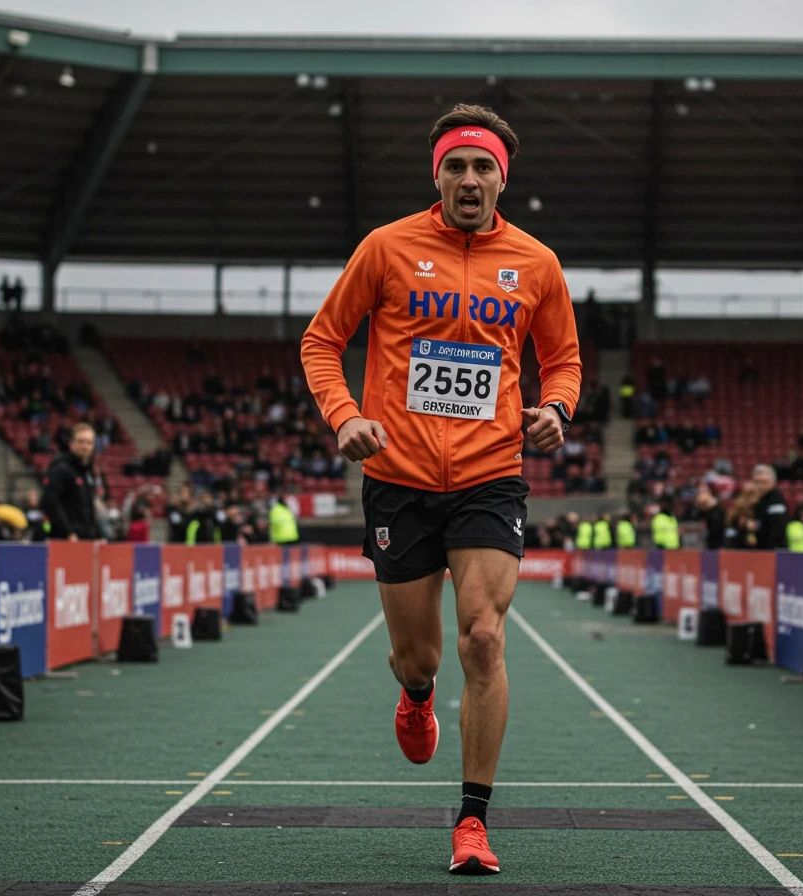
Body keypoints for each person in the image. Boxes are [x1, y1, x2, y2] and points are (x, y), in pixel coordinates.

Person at [300, 102, 581, 876]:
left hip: (491, 475)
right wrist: (345, 414)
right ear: (437, 175)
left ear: (501, 178)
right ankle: (417, 695)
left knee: (484, 637)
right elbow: (323, 341)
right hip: (398, 479)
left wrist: (556, 409)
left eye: (482, 166)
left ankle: (472, 822)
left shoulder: (536, 263)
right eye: (455, 166)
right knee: (417, 655)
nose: (468, 178)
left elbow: (562, 362)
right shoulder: (386, 247)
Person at [41, 422, 97, 541]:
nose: (85, 446)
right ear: (71, 443)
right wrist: (68, 532)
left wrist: (94, 534)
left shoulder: (87, 472)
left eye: (89, 442)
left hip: (84, 539)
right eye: (81, 441)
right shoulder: (61, 469)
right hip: (65, 540)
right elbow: (49, 501)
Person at [751, 464, 789, 550]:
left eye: (763, 482)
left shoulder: (775, 500)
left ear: (773, 482)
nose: (760, 486)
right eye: (757, 482)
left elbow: (778, 527)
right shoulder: (759, 501)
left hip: (772, 552)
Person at [695, 485, 726, 550]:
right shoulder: (706, 512)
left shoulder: (716, 512)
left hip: (716, 545)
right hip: (709, 544)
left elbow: (715, 530)